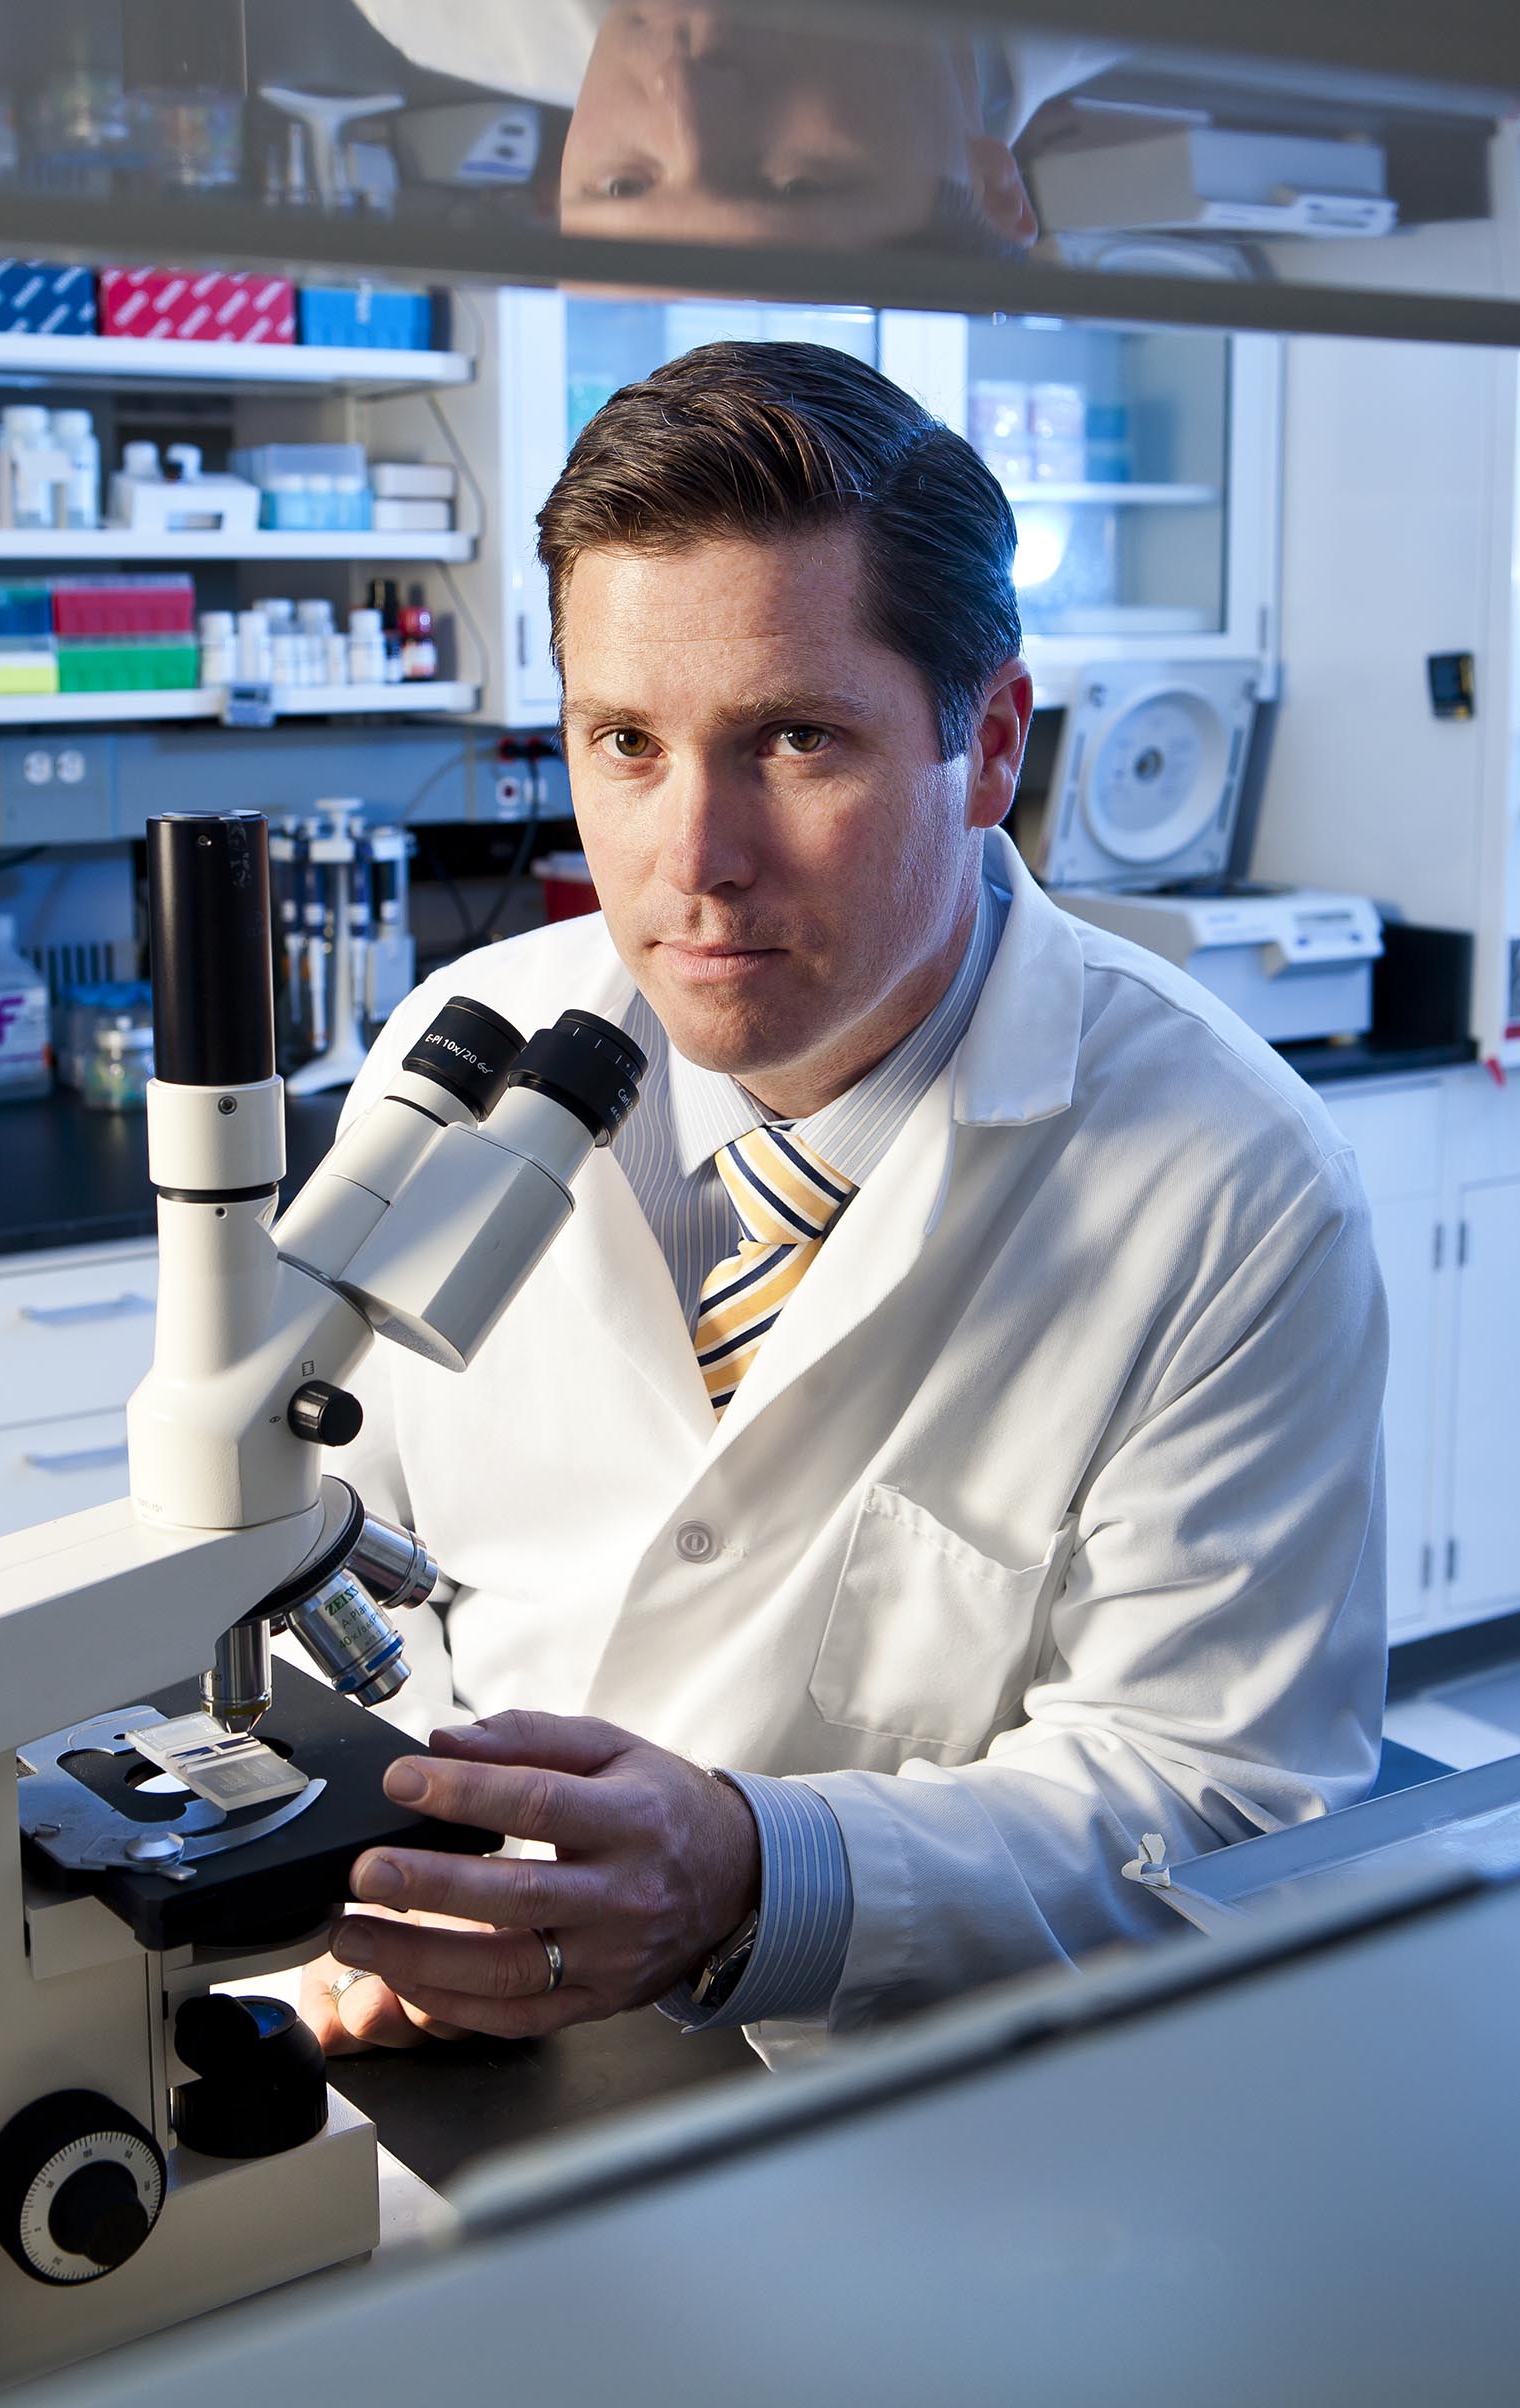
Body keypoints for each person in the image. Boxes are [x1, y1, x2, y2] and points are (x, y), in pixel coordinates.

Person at [300, 341, 1386, 2069]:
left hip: (927, 2110)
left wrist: (752, 1873)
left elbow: (1222, 1797)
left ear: (989, 744)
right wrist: (377, 1855)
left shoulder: (1227, 1183)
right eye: (625, 741)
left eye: (795, 739)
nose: (692, 854)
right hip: (476, 2046)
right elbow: (312, 1535)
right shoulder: (466, 1045)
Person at [352, 0, 1123, 252]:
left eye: (624, 183)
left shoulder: (435, 13)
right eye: (794, 180)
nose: (682, 93)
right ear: (991, 188)